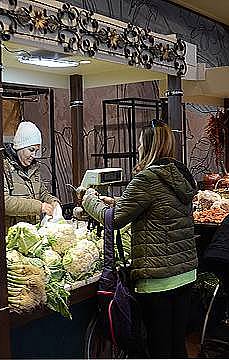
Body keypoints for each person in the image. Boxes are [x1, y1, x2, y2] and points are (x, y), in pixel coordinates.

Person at [83, 119, 198, 358]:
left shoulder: (147, 179)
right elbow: (158, 209)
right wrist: (118, 203)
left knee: (157, 349)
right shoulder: (180, 176)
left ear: (148, 146)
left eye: (139, 144)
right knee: (176, 346)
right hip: (185, 273)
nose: (137, 148)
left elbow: (112, 221)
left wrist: (87, 198)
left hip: (159, 277)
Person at [3, 121, 59, 229]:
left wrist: (53, 202)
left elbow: (43, 193)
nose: (34, 155)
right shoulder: (4, 168)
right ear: (20, 146)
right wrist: (39, 206)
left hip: (32, 231)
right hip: (13, 233)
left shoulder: (33, 169)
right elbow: (5, 203)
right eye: (31, 150)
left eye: (36, 151)